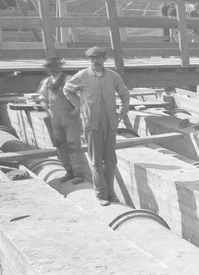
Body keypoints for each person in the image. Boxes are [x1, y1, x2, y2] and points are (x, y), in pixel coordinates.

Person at [63, 47, 131, 206]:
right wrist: (81, 107)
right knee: (96, 161)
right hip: (92, 124)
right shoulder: (83, 76)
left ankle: (111, 193)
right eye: (92, 59)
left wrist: (121, 113)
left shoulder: (113, 77)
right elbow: (67, 90)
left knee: (110, 160)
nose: (95, 62)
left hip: (110, 123)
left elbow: (125, 94)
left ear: (104, 59)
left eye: (98, 58)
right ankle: (101, 194)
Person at [36, 56, 85, 185]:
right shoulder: (46, 82)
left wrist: (77, 110)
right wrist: (45, 106)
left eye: (54, 67)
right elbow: (43, 97)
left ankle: (79, 174)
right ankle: (69, 172)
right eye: (49, 68)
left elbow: (82, 97)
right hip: (55, 119)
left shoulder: (69, 80)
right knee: (60, 145)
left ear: (60, 67)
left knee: (73, 145)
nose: (52, 70)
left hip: (70, 119)